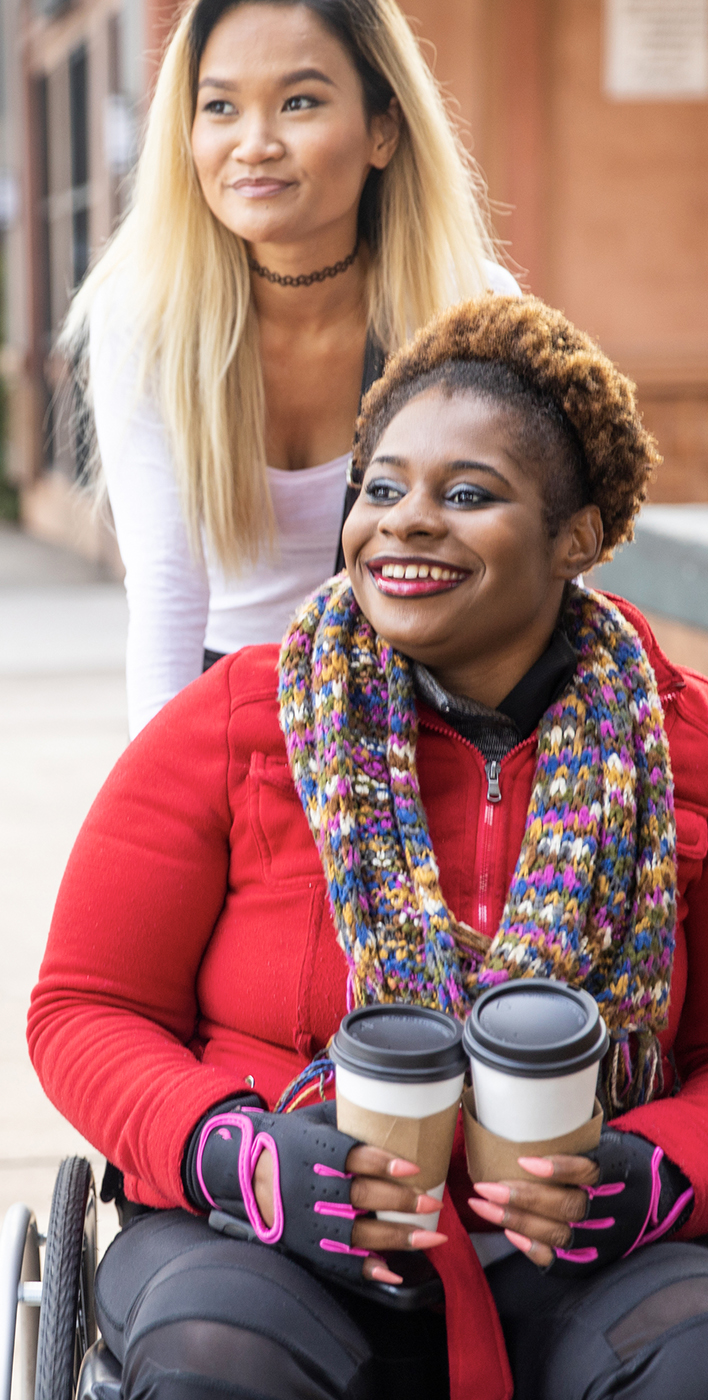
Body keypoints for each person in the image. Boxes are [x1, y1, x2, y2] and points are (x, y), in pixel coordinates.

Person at [29, 293, 708, 1400]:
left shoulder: (684, 745)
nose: (405, 520)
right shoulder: (238, 718)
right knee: (217, 1357)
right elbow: (84, 1005)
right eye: (381, 487)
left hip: (581, 1253)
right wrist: (231, 1151)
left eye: (469, 494)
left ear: (577, 534)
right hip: (256, 1236)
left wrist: (660, 1172)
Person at [64, 0, 519, 738]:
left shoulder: (469, 306)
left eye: (299, 102)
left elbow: (536, 567)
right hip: (230, 708)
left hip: (431, 711)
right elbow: (167, 592)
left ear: (384, 128)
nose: (254, 144)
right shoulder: (142, 317)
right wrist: (165, 803)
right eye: (220, 107)